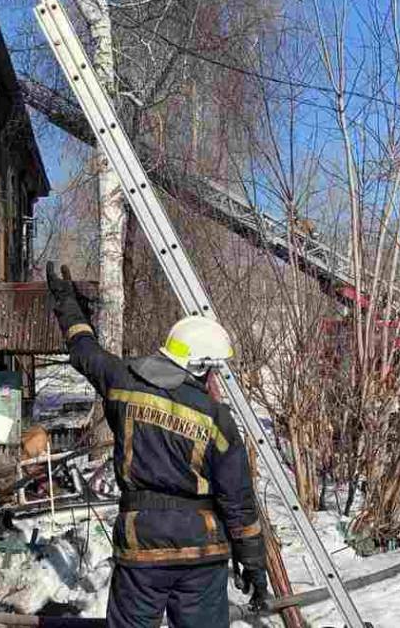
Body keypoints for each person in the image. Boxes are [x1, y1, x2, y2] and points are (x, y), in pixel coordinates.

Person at [46, 263, 269, 627]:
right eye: (212, 369)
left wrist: (66, 301)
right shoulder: (216, 418)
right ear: (199, 367)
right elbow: (238, 499)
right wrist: (254, 566)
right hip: (203, 551)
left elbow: (82, 349)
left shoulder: (122, 381)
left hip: (142, 548)